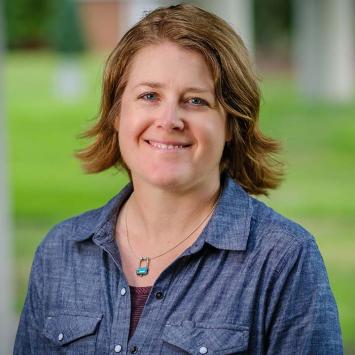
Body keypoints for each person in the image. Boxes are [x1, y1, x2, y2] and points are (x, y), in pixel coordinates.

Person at [14, 4, 343, 354]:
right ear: (116, 113)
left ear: (232, 124)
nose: (169, 119)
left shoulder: (283, 259)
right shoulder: (61, 252)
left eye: (195, 101)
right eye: (149, 96)